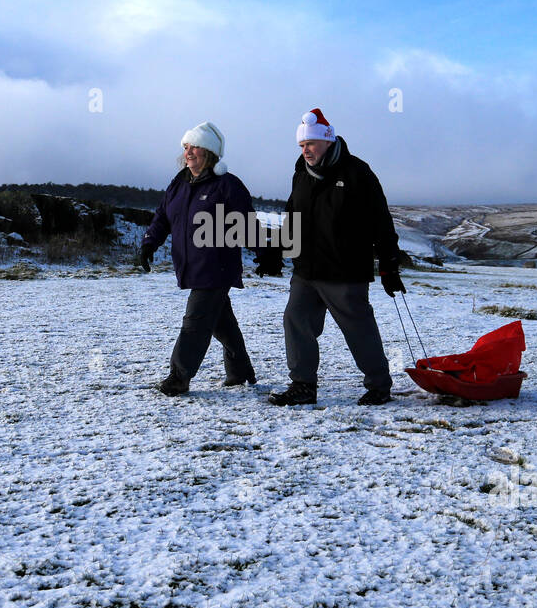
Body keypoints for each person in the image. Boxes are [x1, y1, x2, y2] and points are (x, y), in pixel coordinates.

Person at [268, 108, 406, 406]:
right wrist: (279, 254)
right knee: (296, 320)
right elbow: (292, 218)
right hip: (306, 269)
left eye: (311, 144)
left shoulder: (357, 173)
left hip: (345, 271)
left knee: (358, 329)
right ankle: (303, 385)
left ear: (328, 141)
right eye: (302, 146)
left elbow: (380, 221)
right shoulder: (301, 175)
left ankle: (379, 385)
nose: (306, 151)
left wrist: (389, 265)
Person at [138, 121, 258, 395]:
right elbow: (162, 217)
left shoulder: (227, 185)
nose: (189, 152)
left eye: (195, 147)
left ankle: (178, 377)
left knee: (195, 321)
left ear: (210, 153)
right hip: (191, 266)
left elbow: (246, 224)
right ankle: (239, 370)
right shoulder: (179, 183)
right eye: (186, 147)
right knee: (220, 321)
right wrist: (149, 243)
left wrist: (265, 254)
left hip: (217, 265)